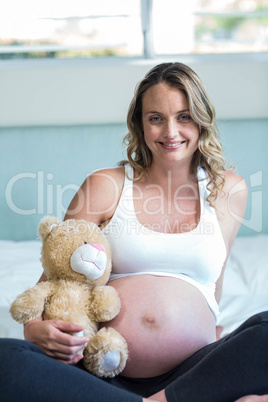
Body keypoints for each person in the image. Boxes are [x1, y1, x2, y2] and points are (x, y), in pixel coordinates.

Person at [0, 62, 268, 402]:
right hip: (96, 372)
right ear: (140, 126)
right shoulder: (105, 185)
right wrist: (34, 329)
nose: (171, 131)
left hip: (192, 373)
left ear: (202, 120)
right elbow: (52, 281)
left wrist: (222, 352)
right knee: (6, 359)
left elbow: (214, 282)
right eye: (156, 118)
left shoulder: (229, 190)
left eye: (184, 116)